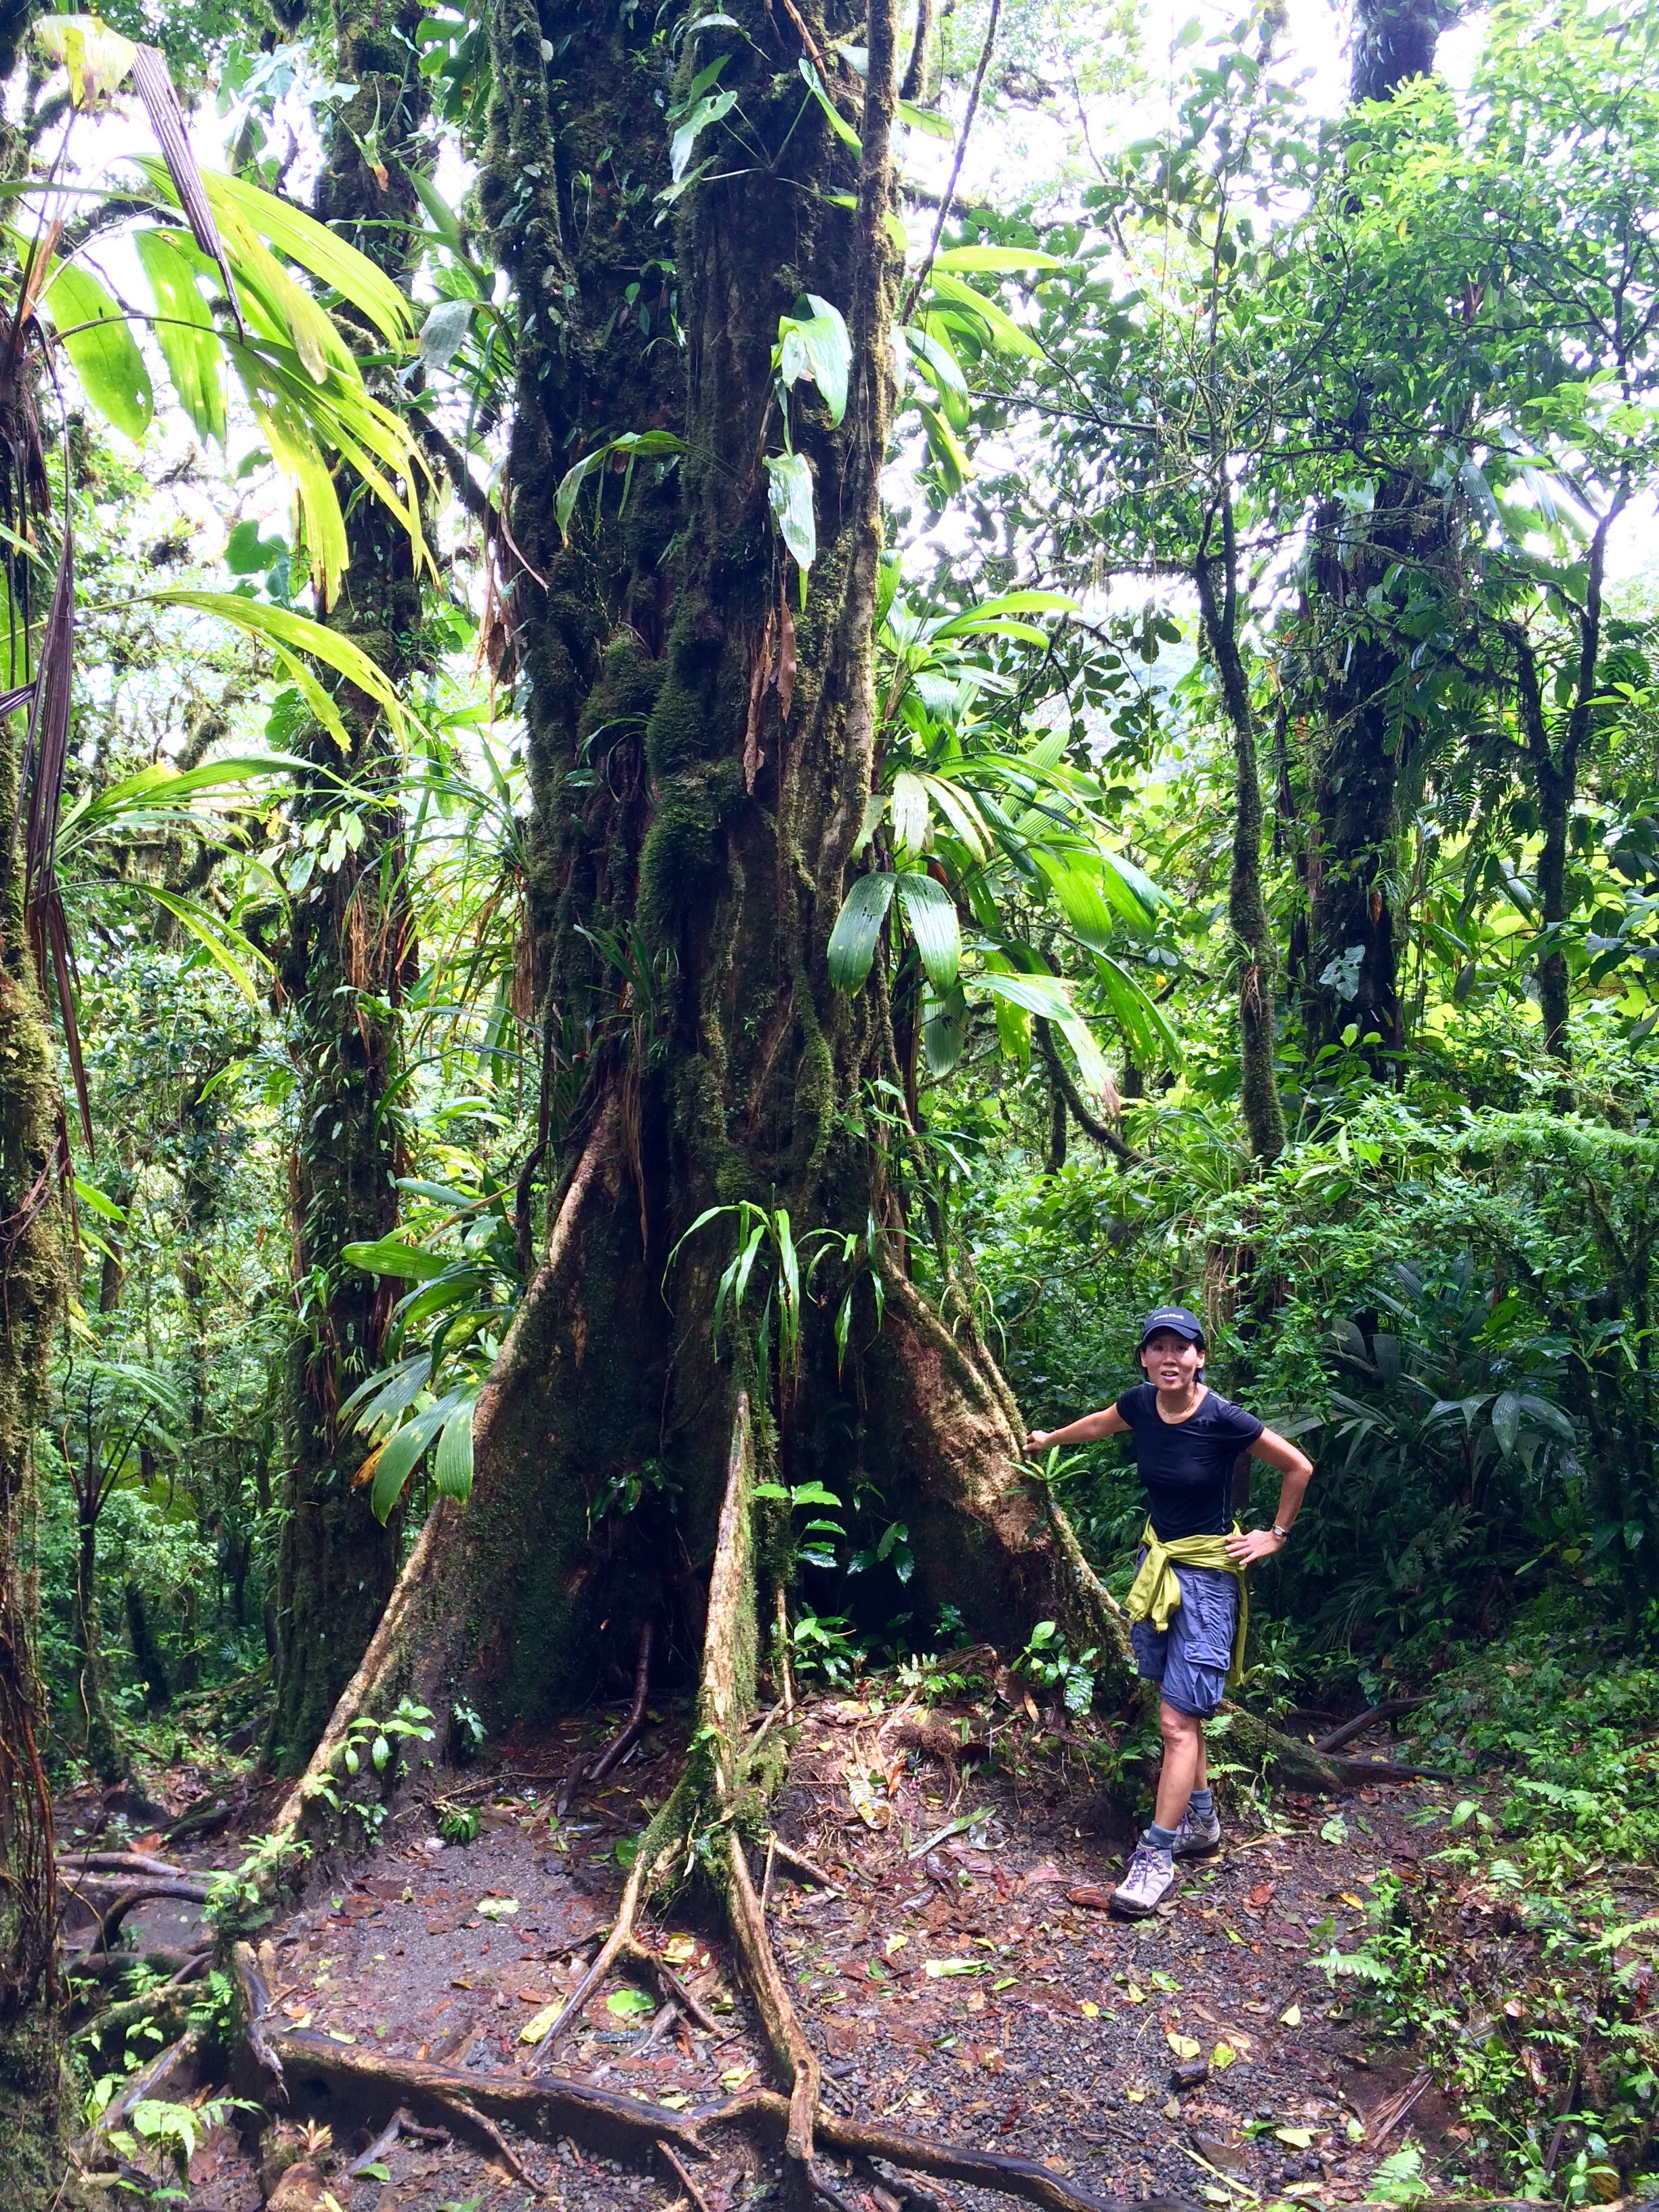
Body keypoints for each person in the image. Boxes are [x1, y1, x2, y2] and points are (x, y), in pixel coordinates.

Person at [1027, 1303, 1313, 1917]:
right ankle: (1201, 1823)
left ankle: (1156, 1856)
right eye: (1157, 1347)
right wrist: (1049, 1439)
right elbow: (1100, 1425)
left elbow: (1298, 1466)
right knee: (1176, 1707)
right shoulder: (1139, 1404)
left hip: (1207, 1580)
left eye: (1181, 1348)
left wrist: (1275, 1535)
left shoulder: (1222, 1417)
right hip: (1157, 1567)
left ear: (1199, 1357)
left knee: (1177, 1723)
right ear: (1144, 1358)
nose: (1169, 1358)